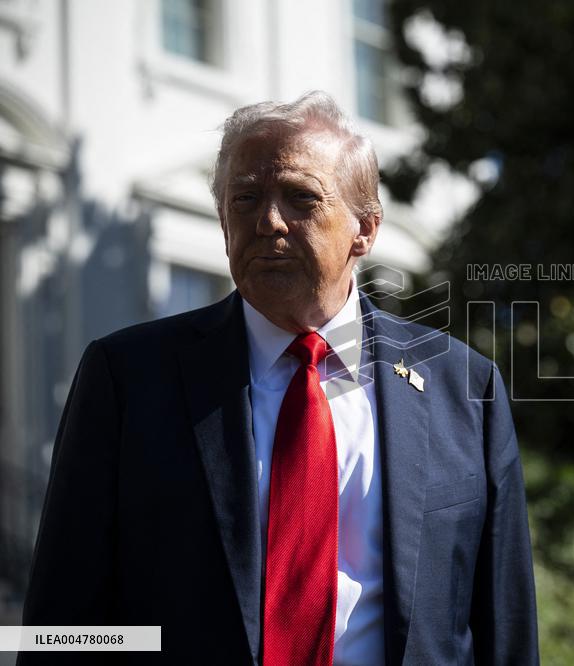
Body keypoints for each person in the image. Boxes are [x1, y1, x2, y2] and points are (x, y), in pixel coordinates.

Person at [18, 91, 539, 665]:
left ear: (364, 230)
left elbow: (504, 628)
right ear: (222, 220)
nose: (268, 221)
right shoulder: (128, 377)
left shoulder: (463, 385)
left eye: (300, 197)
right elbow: (61, 624)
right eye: (244, 198)